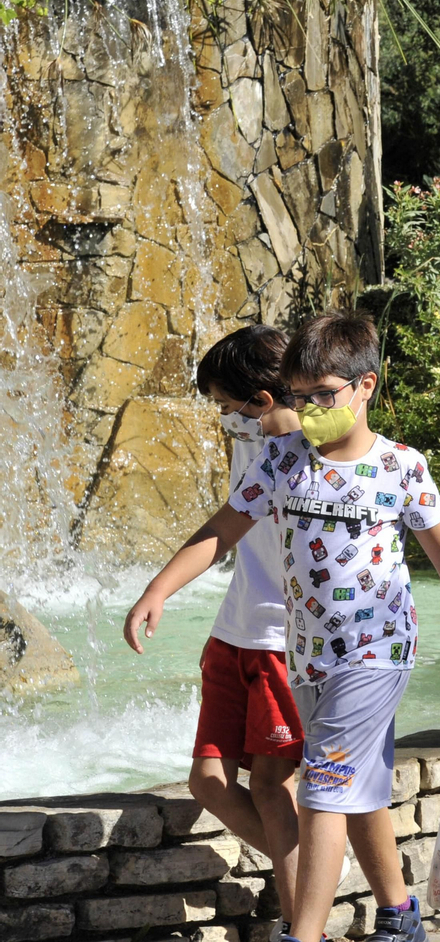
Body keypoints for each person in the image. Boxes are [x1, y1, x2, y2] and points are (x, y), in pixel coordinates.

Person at [125, 312, 440, 942]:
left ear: (366, 387)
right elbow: (223, 530)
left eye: (323, 395)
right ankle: (399, 912)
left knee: (324, 789)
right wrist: (157, 589)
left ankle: (303, 936)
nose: (309, 408)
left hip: (376, 653)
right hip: (307, 655)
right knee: (357, 791)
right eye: (300, 396)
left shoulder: (401, 468)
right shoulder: (280, 458)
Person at [124, 326, 304, 941]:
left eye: (228, 408)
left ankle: (305, 914)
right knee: (208, 781)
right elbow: (223, 529)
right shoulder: (256, 447)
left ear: (260, 398)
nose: (224, 421)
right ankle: (311, 877)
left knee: (273, 784)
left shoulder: (318, 455)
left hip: (285, 642)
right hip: (234, 632)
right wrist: (158, 590)